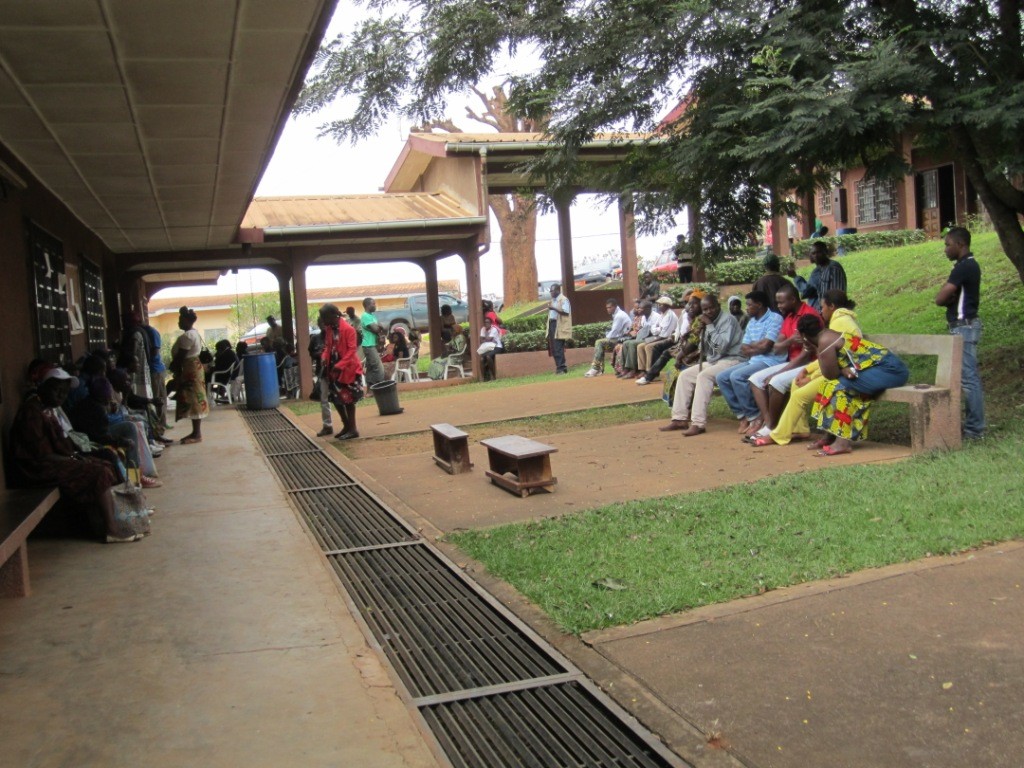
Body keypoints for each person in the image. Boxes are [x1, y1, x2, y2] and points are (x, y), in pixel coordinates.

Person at [10, 367, 142, 543]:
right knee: (98, 472)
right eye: (56, 390)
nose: (60, 396)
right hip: (36, 468)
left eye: (64, 393)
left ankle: (128, 516)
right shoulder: (32, 413)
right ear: (43, 387)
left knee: (106, 464)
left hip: (53, 460)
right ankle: (112, 528)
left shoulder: (47, 409)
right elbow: (42, 456)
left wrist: (76, 457)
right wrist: (75, 459)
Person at [753, 289, 863, 447]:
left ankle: (778, 435)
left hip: (846, 375)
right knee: (796, 383)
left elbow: (834, 363)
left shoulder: (839, 323)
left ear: (831, 306)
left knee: (800, 395)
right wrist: (807, 370)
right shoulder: (839, 320)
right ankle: (800, 429)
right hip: (839, 370)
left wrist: (810, 377)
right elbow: (830, 357)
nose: (821, 310)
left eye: (823, 306)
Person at [798, 314, 910, 456]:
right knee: (827, 385)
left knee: (841, 388)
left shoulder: (825, 342)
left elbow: (830, 374)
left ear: (803, 335)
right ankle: (830, 436)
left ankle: (842, 443)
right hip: (877, 369)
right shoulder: (827, 335)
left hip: (891, 371)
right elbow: (832, 374)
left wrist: (818, 351)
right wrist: (842, 370)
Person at [659, 294, 744, 436]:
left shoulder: (727, 320)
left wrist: (709, 326)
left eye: (711, 308)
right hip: (715, 360)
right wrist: (700, 331)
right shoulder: (706, 321)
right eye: (705, 309)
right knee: (685, 375)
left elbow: (720, 347)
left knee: (704, 376)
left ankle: (698, 423)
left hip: (733, 360)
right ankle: (679, 418)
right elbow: (707, 349)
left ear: (718, 305)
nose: (709, 311)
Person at [745, 283, 822, 439]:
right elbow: (777, 347)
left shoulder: (809, 316)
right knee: (755, 379)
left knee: (776, 382)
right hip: (792, 362)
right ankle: (768, 422)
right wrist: (790, 340)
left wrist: (778, 372)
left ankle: (772, 426)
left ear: (793, 299)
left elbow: (806, 354)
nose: (778, 305)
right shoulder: (789, 317)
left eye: (781, 302)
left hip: (809, 365)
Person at [935, 225, 984, 440]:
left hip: (964, 326)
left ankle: (975, 429)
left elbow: (940, 298)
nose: (945, 249)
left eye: (948, 244)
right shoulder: (967, 265)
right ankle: (971, 426)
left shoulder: (964, 267)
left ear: (960, 244)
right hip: (962, 326)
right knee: (966, 378)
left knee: (969, 379)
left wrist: (947, 300)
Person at [715, 290, 785, 433]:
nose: (746, 308)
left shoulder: (775, 318)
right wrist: (759, 346)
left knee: (737, 376)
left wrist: (757, 346)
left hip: (771, 361)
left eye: (749, 305)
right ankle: (742, 416)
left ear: (759, 305)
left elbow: (767, 346)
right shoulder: (752, 321)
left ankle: (755, 416)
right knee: (721, 377)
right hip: (754, 360)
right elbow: (744, 348)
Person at [320, 304, 364, 440]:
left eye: (324, 316)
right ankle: (346, 426)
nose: (322, 319)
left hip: (347, 369)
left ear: (333, 315)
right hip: (333, 368)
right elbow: (328, 346)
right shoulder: (329, 329)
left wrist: (341, 364)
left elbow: (352, 350)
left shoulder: (348, 329)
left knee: (348, 399)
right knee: (336, 399)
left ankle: (353, 429)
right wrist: (324, 357)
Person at [169, 306, 209, 444]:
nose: (178, 322)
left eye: (180, 319)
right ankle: (195, 432)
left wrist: (173, 367)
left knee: (194, 399)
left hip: (190, 368)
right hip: (192, 368)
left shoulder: (188, 336)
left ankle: (197, 434)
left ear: (187, 320)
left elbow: (180, 356)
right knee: (193, 398)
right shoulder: (193, 333)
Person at [787, 239, 847, 311]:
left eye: (819, 252)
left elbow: (838, 293)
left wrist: (795, 277)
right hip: (821, 312)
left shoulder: (833, 268)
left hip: (832, 311)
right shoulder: (817, 270)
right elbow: (808, 290)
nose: (816, 255)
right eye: (813, 253)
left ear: (826, 252)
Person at [584, 299, 633, 377]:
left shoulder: (619, 316)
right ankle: (599, 369)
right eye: (607, 308)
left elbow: (614, 332)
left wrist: (606, 337)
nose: (608, 309)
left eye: (609, 307)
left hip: (624, 340)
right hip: (620, 338)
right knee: (601, 343)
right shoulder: (617, 314)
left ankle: (595, 368)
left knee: (599, 342)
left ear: (615, 307)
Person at [635, 296, 679, 378]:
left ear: (667, 306)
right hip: (659, 337)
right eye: (658, 304)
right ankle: (643, 370)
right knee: (640, 346)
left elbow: (664, 334)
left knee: (648, 347)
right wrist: (658, 329)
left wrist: (655, 334)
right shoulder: (662, 314)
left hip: (669, 339)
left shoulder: (670, 315)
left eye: (661, 305)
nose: (659, 306)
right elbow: (653, 329)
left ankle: (650, 371)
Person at [617, 300, 654, 379]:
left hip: (652, 338)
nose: (638, 310)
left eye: (641, 308)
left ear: (647, 309)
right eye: (638, 308)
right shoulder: (644, 317)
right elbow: (641, 330)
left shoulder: (655, 317)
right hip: (643, 337)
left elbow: (655, 331)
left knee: (632, 344)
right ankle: (626, 368)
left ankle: (633, 369)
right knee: (626, 343)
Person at [310, 316, 333, 437]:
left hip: (335, 371)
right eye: (321, 323)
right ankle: (327, 425)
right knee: (324, 400)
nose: (323, 325)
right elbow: (311, 353)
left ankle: (347, 424)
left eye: (325, 322)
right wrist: (319, 354)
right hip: (322, 372)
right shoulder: (315, 338)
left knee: (341, 399)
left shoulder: (334, 336)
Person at [359, 297, 387, 387]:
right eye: (373, 304)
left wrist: (380, 327)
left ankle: (370, 390)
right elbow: (376, 329)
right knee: (379, 368)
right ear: (367, 305)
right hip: (368, 345)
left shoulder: (372, 316)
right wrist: (380, 327)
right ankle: (379, 387)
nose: (375, 305)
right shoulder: (365, 316)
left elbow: (382, 329)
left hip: (373, 345)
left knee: (371, 368)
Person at [546, 283, 572, 374]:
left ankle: (562, 368)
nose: (551, 293)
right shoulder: (553, 300)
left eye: (552, 291)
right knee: (553, 348)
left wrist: (553, 308)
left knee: (558, 347)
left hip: (559, 325)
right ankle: (559, 368)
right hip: (552, 324)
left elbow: (566, 312)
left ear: (558, 290)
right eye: (550, 291)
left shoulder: (564, 300)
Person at [478, 316, 503, 381]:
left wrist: (484, 339)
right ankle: (482, 378)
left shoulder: (494, 329)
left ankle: (493, 376)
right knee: (481, 359)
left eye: (488, 322)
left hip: (497, 347)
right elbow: (481, 340)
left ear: (491, 323)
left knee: (488, 357)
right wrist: (485, 339)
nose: (486, 324)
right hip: (488, 348)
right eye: (485, 322)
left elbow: (489, 339)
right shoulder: (483, 329)